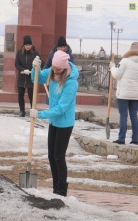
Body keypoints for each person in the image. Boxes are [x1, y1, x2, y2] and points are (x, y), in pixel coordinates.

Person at [30, 50, 79, 197]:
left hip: (65, 123)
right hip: (54, 121)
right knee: (51, 156)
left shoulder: (71, 83)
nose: (55, 71)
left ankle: (61, 190)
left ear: (64, 68)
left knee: (59, 156)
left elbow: (61, 108)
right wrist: (35, 68)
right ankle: (55, 189)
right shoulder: (52, 71)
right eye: (53, 68)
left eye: (58, 69)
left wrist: (39, 114)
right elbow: (36, 79)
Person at [110, 41, 138, 145]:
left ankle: (121, 138)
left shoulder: (125, 61)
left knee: (123, 115)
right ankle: (135, 139)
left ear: (130, 50)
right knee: (134, 115)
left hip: (123, 94)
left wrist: (112, 67)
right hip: (136, 94)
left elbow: (117, 75)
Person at [15, 35, 43, 117]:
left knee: (31, 95)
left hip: (31, 77)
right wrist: (23, 69)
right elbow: (16, 64)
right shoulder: (19, 52)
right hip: (22, 77)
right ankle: (22, 111)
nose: (28, 47)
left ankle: (32, 110)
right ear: (24, 45)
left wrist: (34, 69)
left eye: (29, 45)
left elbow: (40, 62)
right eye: (26, 45)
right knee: (20, 94)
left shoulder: (35, 52)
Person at [43, 36, 74, 104]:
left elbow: (72, 68)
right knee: (52, 99)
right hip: (53, 78)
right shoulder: (52, 54)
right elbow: (47, 65)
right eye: (60, 47)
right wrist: (44, 75)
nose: (62, 49)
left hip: (64, 79)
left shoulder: (69, 55)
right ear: (57, 47)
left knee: (61, 100)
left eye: (64, 47)